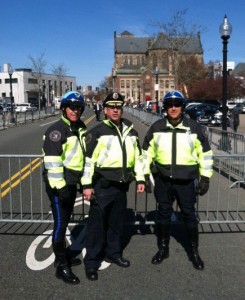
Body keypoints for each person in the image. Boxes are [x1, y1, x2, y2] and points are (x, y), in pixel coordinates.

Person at [142, 90, 213, 270]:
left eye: (177, 104)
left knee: (189, 215)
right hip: (164, 180)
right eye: (169, 105)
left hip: (186, 181)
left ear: (182, 106)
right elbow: (145, 154)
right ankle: (163, 249)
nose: (173, 108)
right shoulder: (156, 127)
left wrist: (205, 178)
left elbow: (205, 155)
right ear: (165, 108)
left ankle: (194, 252)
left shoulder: (195, 128)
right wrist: (145, 175)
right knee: (163, 213)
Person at [82, 92, 145, 281]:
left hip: (122, 186)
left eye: (118, 107)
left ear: (122, 109)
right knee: (96, 227)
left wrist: (140, 179)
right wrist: (87, 185)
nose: (115, 110)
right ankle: (92, 262)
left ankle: (114, 253)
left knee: (116, 224)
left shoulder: (131, 132)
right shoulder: (96, 132)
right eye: (112, 107)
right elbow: (88, 162)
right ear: (106, 110)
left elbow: (139, 158)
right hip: (102, 186)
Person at [42, 91, 87, 284]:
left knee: (65, 221)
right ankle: (61, 266)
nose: (75, 111)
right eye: (71, 107)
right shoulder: (57, 130)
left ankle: (63, 257)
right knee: (60, 225)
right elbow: (52, 163)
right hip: (59, 185)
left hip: (71, 182)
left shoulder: (79, 127)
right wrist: (61, 188)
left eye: (78, 107)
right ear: (63, 108)